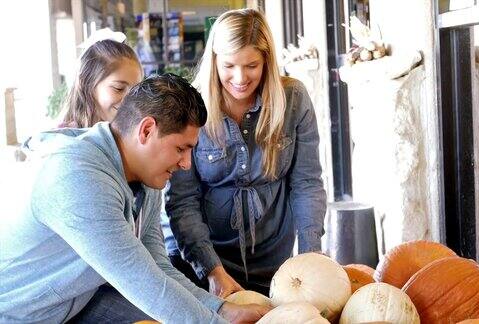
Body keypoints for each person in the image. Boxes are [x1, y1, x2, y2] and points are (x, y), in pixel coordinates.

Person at [0, 74, 269, 323]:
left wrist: (220, 309)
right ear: (146, 130)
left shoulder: (145, 177)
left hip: (79, 300)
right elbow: (143, 282)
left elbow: (157, 267)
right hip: (21, 316)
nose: (187, 164)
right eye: (180, 148)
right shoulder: (78, 178)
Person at [163, 8, 327, 298]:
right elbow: (182, 201)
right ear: (214, 61)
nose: (240, 78)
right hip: (202, 265)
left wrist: (310, 257)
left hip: (274, 267)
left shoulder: (294, 100)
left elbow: (307, 185)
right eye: (229, 66)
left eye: (251, 65)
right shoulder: (191, 106)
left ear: (266, 60)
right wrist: (212, 272)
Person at [60, 38, 143, 128]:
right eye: (118, 88)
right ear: (86, 84)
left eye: (136, 92)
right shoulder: (65, 139)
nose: (130, 100)